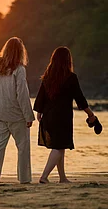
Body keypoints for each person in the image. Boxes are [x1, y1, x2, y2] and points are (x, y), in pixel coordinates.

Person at [33, 46, 97, 184]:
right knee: (59, 147)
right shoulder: (70, 77)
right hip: (62, 117)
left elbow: (41, 96)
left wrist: (39, 112)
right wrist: (91, 115)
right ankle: (44, 177)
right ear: (68, 61)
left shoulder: (48, 77)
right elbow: (80, 99)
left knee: (59, 146)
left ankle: (62, 178)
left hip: (49, 116)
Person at [0, 37, 35, 185]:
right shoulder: (19, 70)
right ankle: (25, 179)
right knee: (23, 147)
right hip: (16, 114)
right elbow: (22, 93)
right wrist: (28, 115)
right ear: (20, 52)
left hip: (0, 110)